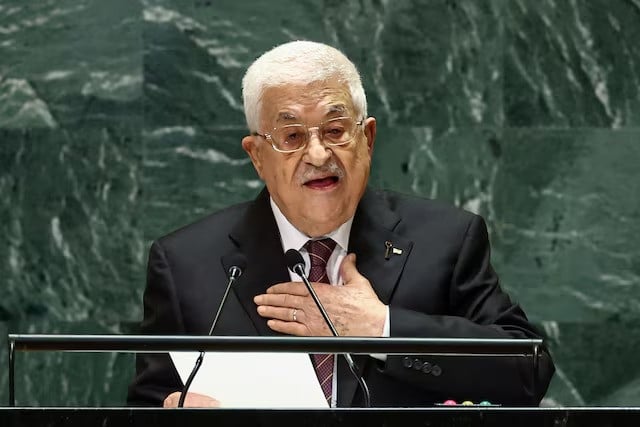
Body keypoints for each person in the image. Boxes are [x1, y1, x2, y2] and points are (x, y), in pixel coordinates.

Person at [127, 40, 554, 408]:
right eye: (292, 137)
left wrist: (381, 328)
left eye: (335, 130)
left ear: (366, 138)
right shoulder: (186, 264)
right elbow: (148, 406)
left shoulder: (445, 239)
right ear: (257, 156)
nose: (317, 155)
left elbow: (527, 369)